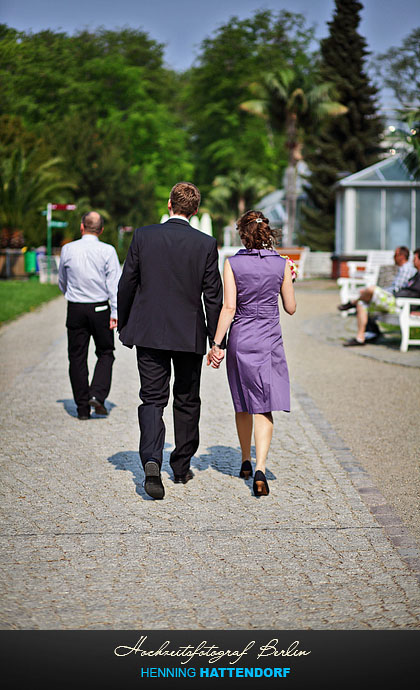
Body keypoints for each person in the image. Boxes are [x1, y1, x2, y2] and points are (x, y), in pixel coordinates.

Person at [117, 182, 223, 500]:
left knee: (152, 399)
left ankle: (151, 458)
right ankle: (180, 466)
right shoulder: (205, 243)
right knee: (187, 400)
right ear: (195, 211)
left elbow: (126, 285)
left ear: (169, 204)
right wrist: (217, 340)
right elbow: (213, 296)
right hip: (189, 334)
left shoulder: (143, 236)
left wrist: (125, 324)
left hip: (149, 331)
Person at [208, 210, 296, 497]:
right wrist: (289, 278)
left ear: (242, 235)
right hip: (268, 340)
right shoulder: (282, 264)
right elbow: (291, 308)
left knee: (243, 402)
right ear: (267, 234)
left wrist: (216, 344)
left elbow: (229, 308)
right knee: (264, 404)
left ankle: (244, 460)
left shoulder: (232, 264)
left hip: (241, 340)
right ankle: (260, 468)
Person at [58, 211, 121, 419]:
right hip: (100, 308)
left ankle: (82, 408)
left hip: (76, 308)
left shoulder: (68, 249)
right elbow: (114, 284)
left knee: (76, 357)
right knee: (105, 352)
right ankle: (97, 394)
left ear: (82, 227)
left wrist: (70, 293)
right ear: (101, 230)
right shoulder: (108, 250)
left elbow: (62, 281)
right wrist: (115, 311)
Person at [339, 246, 416, 346]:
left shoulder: (406, 269)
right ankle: (360, 338)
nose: (393, 257)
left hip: (395, 301)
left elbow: (396, 289)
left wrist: (379, 291)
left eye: (395, 255)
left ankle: (353, 302)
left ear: (401, 256)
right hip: (391, 299)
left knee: (371, 289)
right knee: (362, 303)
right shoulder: (402, 269)